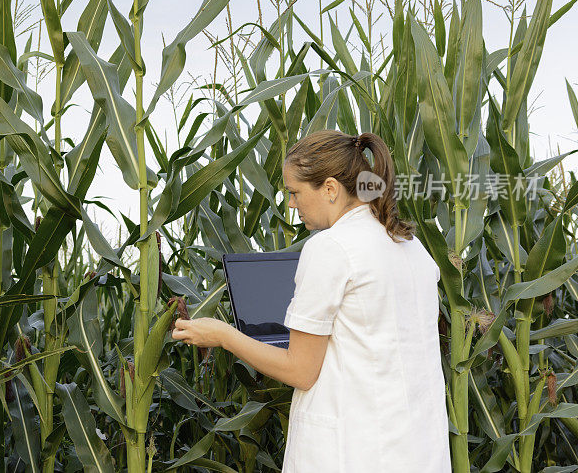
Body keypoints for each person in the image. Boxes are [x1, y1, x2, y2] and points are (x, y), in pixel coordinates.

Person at [172, 130, 452, 472]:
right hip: (416, 450)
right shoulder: (412, 247)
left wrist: (224, 336)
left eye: (295, 192)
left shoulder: (331, 248)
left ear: (330, 189)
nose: (291, 204)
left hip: (353, 452)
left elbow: (300, 370)